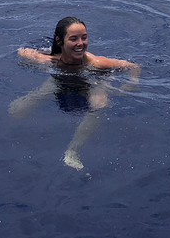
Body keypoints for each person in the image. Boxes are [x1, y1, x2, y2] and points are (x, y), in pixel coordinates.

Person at [11, 17, 140, 170]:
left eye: (84, 37)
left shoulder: (97, 63)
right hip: (62, 77)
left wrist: (132, 83)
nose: (81, 43)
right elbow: (22, 52)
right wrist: (27, 53)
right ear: (60, 41)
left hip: (94, 79)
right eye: (74, 39)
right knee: (17, 111)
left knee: (99, 103)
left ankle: (72, 151)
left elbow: (133, 66)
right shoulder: (47, 60)